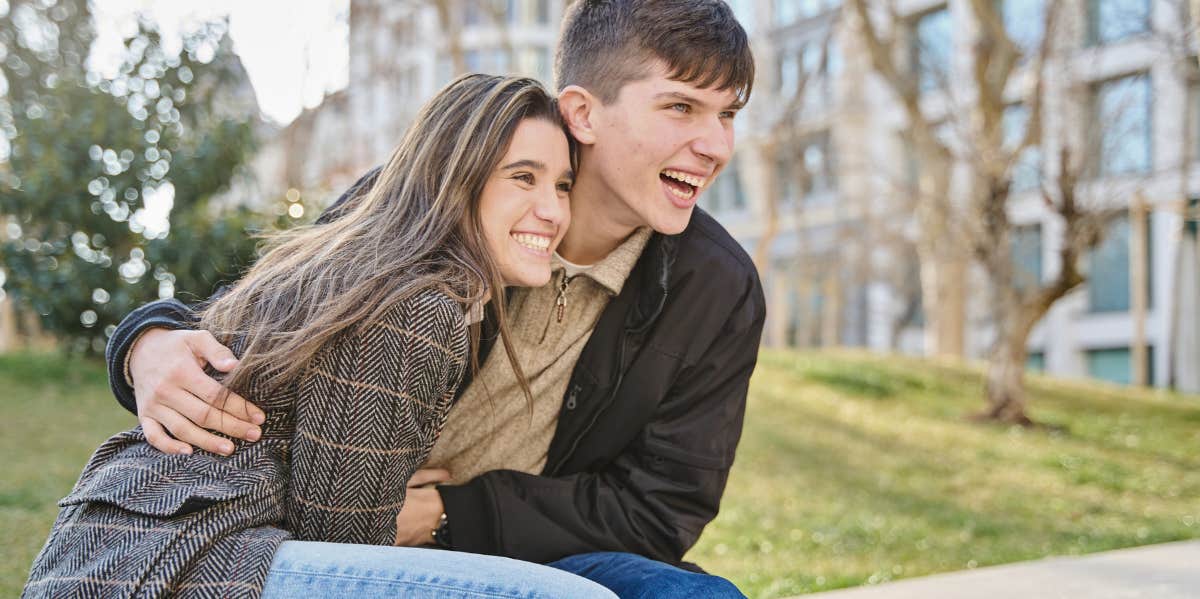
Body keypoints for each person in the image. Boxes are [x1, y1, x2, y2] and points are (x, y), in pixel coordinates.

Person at [103, 0, 763, 596]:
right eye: (681, 107)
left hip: (529, 548)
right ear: (583, 112)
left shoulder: (719, 289)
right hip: (324, 525)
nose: (715, 146)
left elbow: (661, 506)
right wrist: (145, 343)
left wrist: (453, 514)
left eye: (727, 114)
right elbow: (274, 306)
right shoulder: (435, 191)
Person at [24, 74, 617, 599]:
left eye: (562, 186)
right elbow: (345, 546)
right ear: (455, 179)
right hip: (173, 562)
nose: (552, 210)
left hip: (114, 553)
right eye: (523, 178)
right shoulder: (417, 306)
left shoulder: (375, 268)